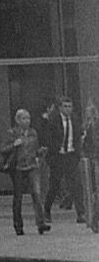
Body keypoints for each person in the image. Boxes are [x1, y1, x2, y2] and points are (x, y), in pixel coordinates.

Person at [0, 109, 47, 236]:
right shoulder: (12, 133)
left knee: (37, 194)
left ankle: (41, 223)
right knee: (18, 197)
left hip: (32, 166)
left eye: (28, 118)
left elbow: (35, 150)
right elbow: (3, 150)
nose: (27, 121)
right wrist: (14, 145)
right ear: (17, 120)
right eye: (24, 118)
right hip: (18, 168)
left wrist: (40, 152)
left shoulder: (33, 133)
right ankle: (18, 225)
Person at [42, 95, 84, 223]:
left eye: (69, 106)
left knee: (76, 185)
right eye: (65, 106)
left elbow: (78, 136)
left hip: (71, 155)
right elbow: (48, 138)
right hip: (58, 156)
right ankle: (47, 210)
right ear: (60, 108)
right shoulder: (53, 120)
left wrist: (77, 153)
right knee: (54, 185)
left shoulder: (75, 120)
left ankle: (81, 213)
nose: (67, 109)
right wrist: (53, 151)